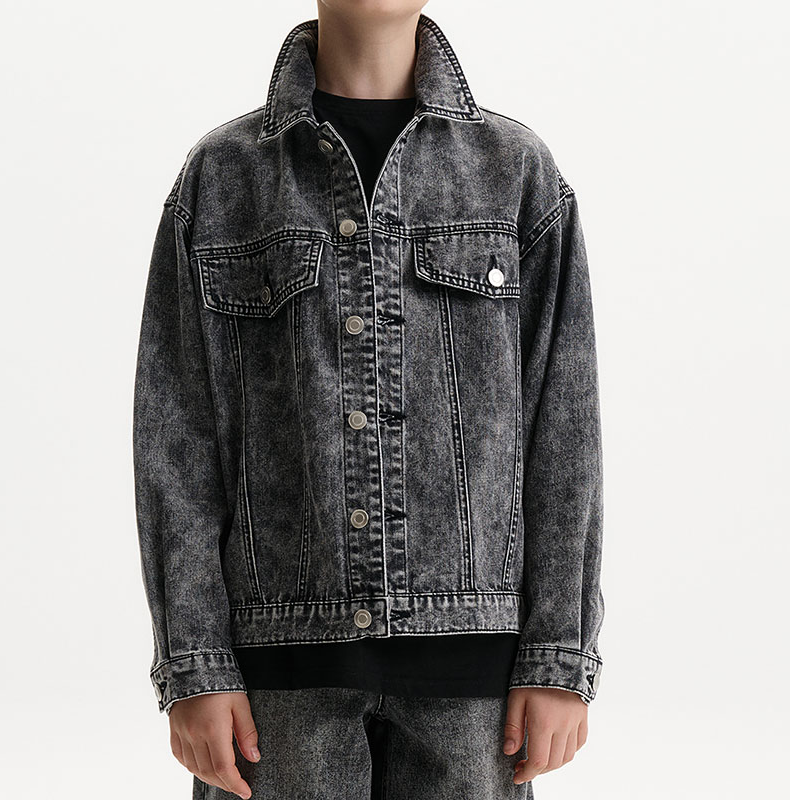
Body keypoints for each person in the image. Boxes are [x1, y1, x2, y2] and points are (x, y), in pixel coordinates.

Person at [132, 2, 605, 798]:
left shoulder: (516, 171)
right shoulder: (222, 177)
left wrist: (558, 656)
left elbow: (564, 428)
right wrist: (195, 665)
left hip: (475, 678)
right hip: (275, 678)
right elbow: (176, 439)